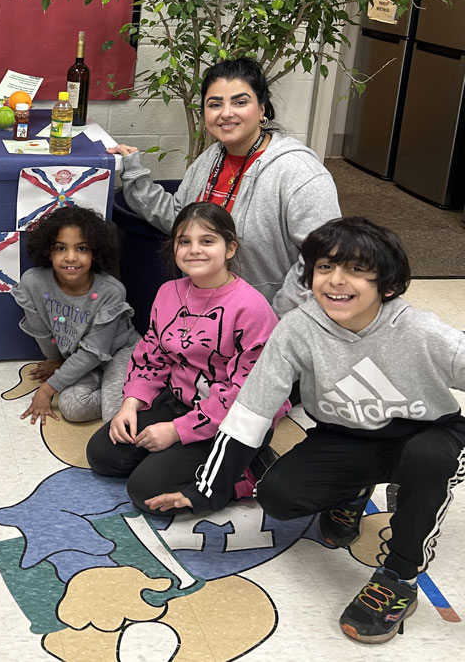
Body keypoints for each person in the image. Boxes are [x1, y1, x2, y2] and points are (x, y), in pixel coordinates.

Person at [146, 218, 465, 644]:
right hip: (345, 435)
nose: (336, 281)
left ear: (387, 285)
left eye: (355, 270)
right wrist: (206, 488)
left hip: (427, 435)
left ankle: (399, 578)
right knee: (279, 494)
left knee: (431, 462)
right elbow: (250, 414)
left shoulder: (419, 330)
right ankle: (352, 492)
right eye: (325, 267)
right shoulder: (298, 328)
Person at [86, 202, 284, 510]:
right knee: (103, 455)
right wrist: (130, 404)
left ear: (230, 248)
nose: (195, 250)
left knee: (145, 491)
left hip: (235, 420)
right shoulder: (169, 292)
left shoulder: (253, 309)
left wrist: (176, 432)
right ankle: (179, 455)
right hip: (181, 400)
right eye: (184, 241)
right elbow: (152, 355)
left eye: (207, 241)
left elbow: (245, 395)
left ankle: (249, 470)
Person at [109, 56, 340, 314]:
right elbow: (179, 217)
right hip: (207, 313)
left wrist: (272, 320)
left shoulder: (299, 172)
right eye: (215, 104)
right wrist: (133, 171)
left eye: (240, 102)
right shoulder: (213, 156)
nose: (226, 113)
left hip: (265, 324)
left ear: (262, 109)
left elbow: (326, 258)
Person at [11, 206, 139, 425]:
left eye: (81, 248)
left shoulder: (111, 291)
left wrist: (47, 389)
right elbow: (41, 331)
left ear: (95, 252)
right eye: (60, 248)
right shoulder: (34, 282)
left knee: (114, 413)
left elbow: (94, 353)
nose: (71, 257)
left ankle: (141, 389)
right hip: (81, 358)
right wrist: (55, 360)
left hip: (120, 352)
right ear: (48, 251)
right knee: (72, 407)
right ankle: (135, 389)